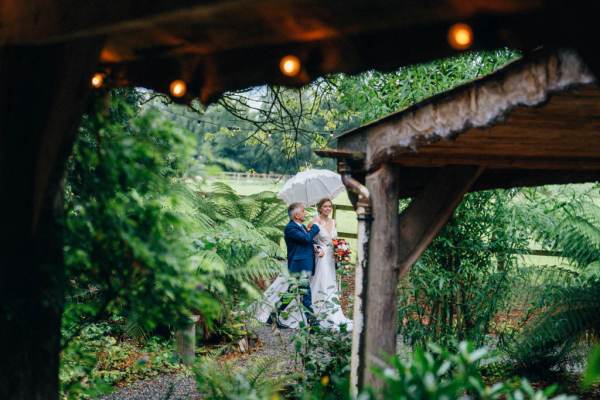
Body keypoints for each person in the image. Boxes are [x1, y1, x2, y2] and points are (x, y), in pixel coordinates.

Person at [308, 198, 353, 331]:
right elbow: (307, 240)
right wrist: (317, 249)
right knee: (322, 282)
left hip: (332, 257)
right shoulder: (314, 222)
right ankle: (316, 312)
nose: (328, 208)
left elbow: (334, 239)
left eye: (330, 206)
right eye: (325, 206)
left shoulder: (334, 222)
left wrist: (341, 249)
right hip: (321, 256)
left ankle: (333, 311)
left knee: (332, 283)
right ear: (320, 208)